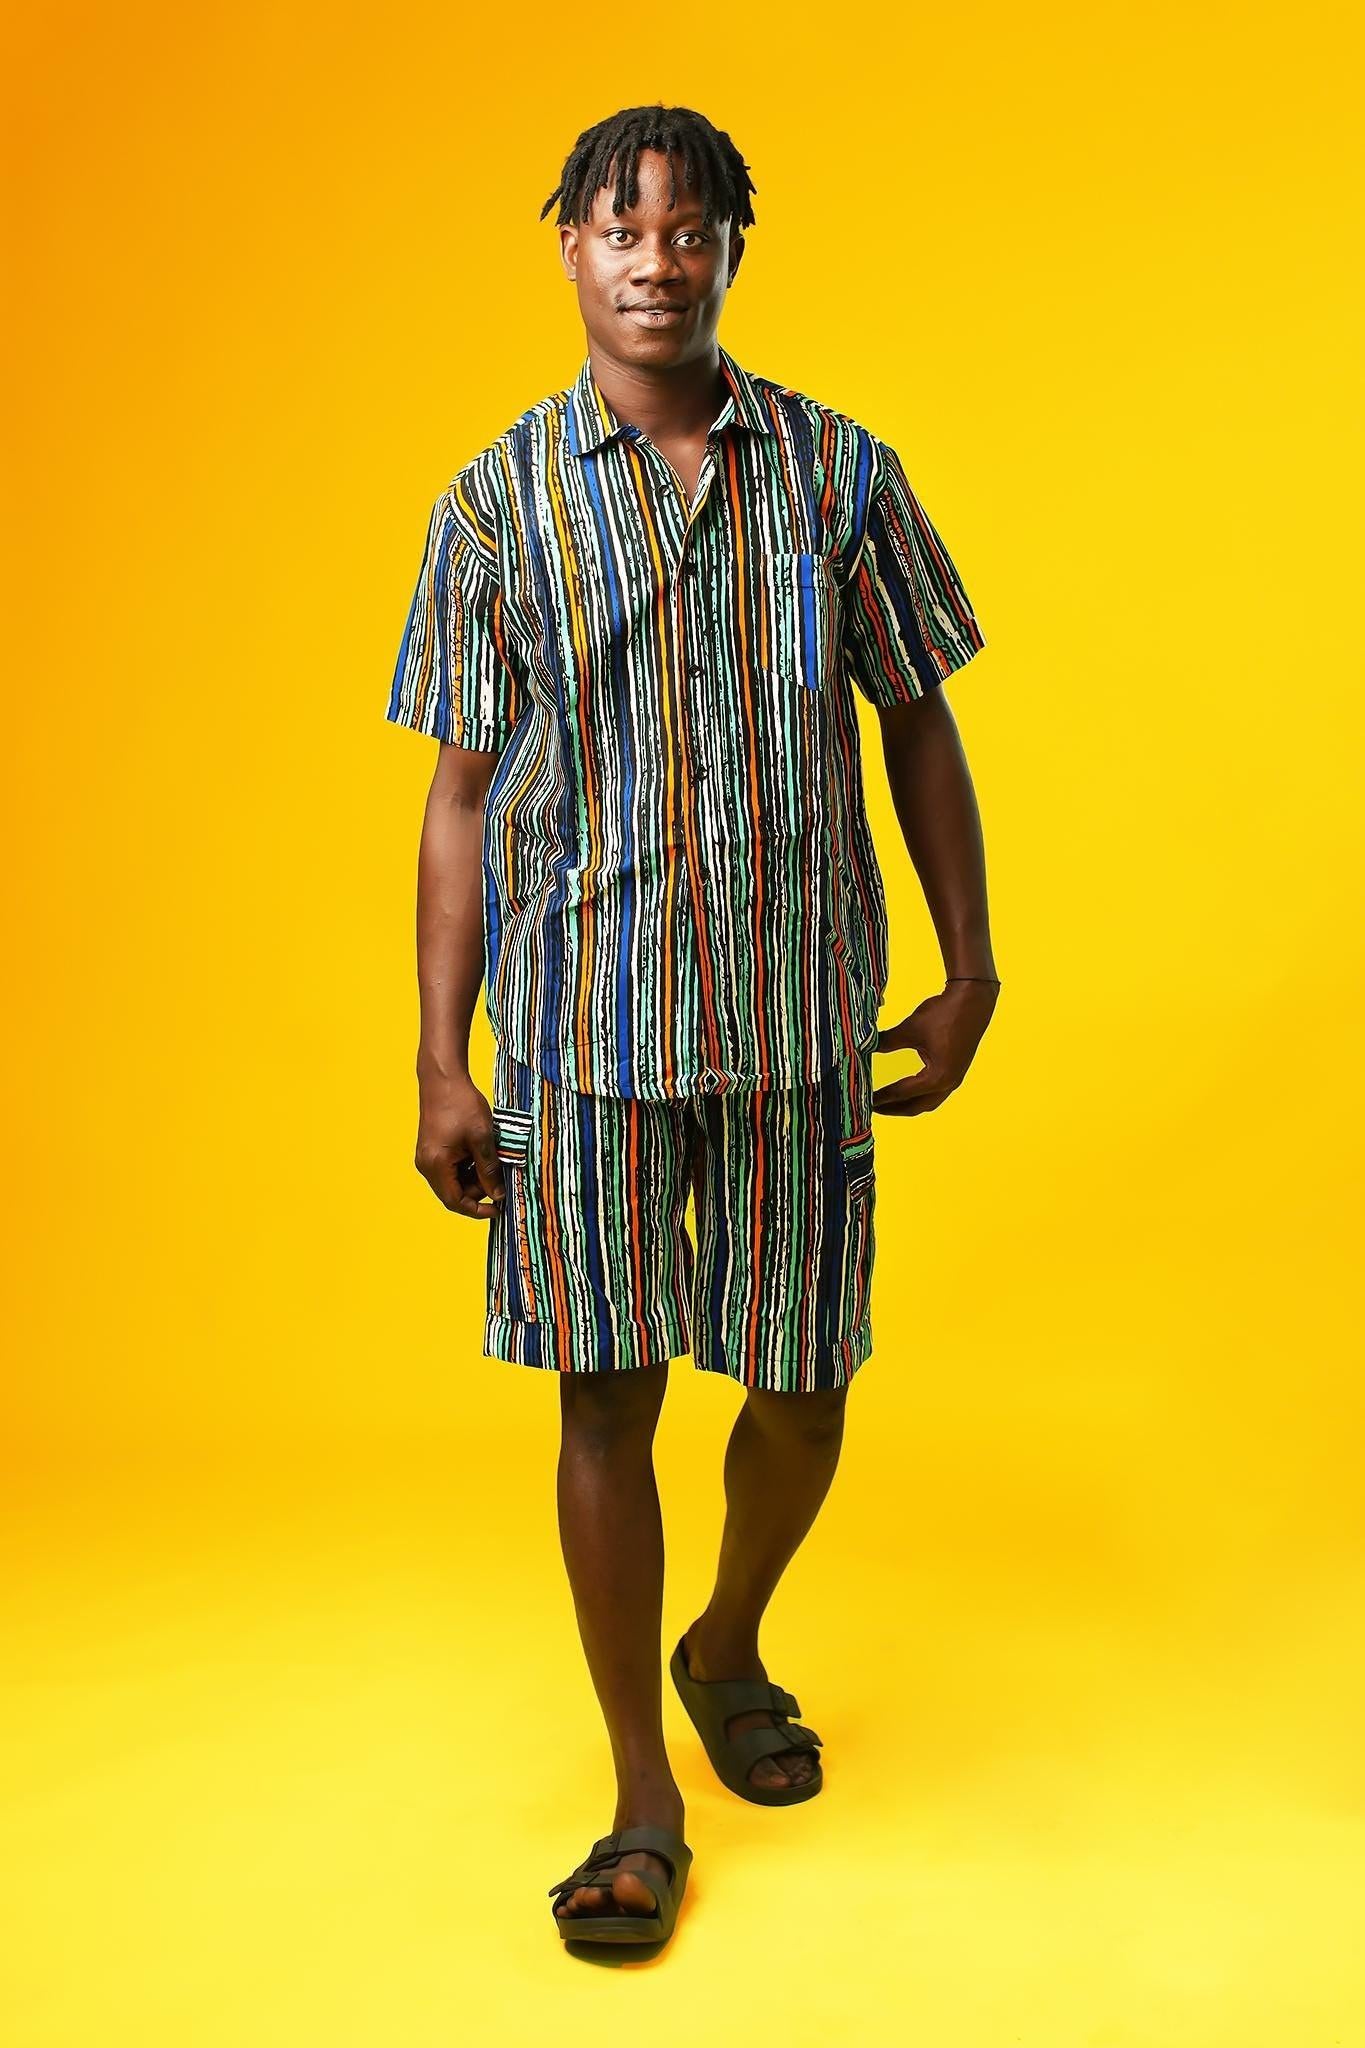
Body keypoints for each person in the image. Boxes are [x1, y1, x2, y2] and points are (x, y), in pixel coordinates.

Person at [385, 102, 999, 1951]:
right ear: (565, 244)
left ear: (733, 247)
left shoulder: (839, 477)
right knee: (609, 1394)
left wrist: (970, 964)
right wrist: (439, 1055)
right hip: (583, 1029)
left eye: (691, 228)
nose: (657, 258)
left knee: (805, 1380)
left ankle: (723, 1639)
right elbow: (462, 798)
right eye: (620, 225)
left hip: (800, 1011)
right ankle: (643, 1788)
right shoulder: (497, 503)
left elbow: (917, 723)